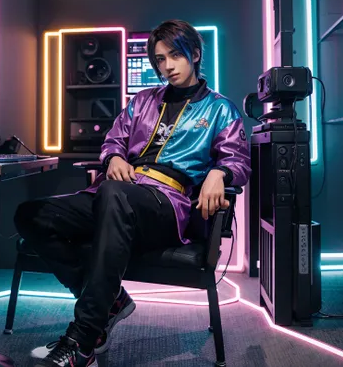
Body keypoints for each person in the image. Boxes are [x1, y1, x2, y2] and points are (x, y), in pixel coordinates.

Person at [14, 19, 251, 367]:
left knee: (114, 194)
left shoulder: (220, 109)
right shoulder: (142, 101)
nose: (166, 66)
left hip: (169, 205)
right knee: (31, 215)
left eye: (175, 55)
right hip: (119, 193)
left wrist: (220, 171)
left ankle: (83, 339)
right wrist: (112, 157)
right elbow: (113, 139)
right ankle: (112, 302)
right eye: (159, 59)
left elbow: (239, 159)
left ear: (195, 55)